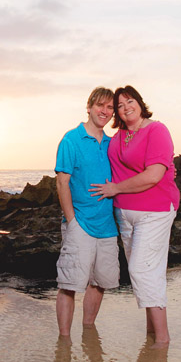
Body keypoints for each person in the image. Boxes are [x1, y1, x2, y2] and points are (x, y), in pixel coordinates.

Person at [90, 85, 179, 347]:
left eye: (129, 101)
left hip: (156, 211)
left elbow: (154, 174)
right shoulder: (118, 137)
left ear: (139, 102)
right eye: (119, 105)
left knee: (141, 270)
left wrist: (115, 188)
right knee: (149, 272)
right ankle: (151, 333)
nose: (125, 107)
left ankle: (162, 339)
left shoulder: (156, 130)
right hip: (124, 214)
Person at [54, 86, 119, 337]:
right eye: (100, 106)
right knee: (69, 284)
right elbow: (62, 182)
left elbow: (136, 170)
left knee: (100, 283)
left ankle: (88, 333)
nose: (105, 111)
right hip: (79, 224)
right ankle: (64, 340)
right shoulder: (71, 139)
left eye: (110, 107)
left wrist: (170, 171)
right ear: (89, 107)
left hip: (107, 227)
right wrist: (72, 222)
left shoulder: (113, 145)